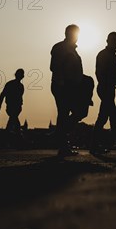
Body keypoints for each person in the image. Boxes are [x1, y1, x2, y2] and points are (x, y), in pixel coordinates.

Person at [50, 24, 84, 156]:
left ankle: (59, 134)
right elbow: (54, 66)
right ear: (69, 34)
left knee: (78, 112)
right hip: (63, 86)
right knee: (64, 113)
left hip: (73, 87)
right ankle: (62, 144)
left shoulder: (73, 50)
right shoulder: (60, 48)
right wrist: (62, 82)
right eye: (76, 34)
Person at [91, 32, 116, 154]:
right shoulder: (103, 55)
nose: (115, 42)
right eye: (113, 39)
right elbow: (99, 73)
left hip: (110, 90)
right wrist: (106, 88)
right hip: (105, 89)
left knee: (109, 117)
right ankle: (96, 145)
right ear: (107, 40)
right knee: (107, 117)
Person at [0, 69, 25, 133]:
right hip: (12, 106)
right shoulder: (14, 85)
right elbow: (2, 95)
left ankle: (9, 134)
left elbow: (3, 95)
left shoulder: (18, 86)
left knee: (12, 120)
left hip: (15, 107)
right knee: (14, 121)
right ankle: (15, 135)